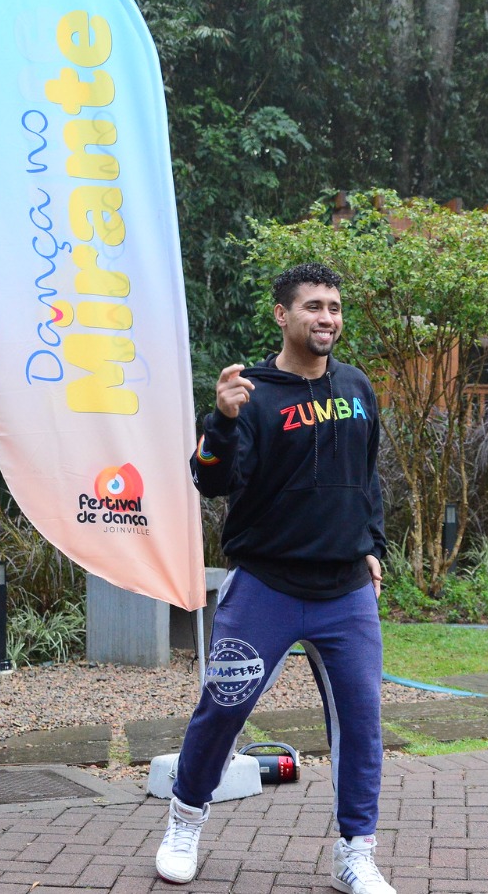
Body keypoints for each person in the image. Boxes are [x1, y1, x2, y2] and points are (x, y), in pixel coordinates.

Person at [156, 262, 394, 894]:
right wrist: (223, 423)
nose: (327, 318)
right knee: (223, 708)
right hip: (266, 585)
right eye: (313, 306)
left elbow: (368, 477)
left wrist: (373, 545)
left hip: (345, 591)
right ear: (281, 316)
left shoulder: (357, 388)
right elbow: (210, 480)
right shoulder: (252, 393)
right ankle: (185, 818)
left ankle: (356, 852)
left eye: (335, 307)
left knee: (361, 722)